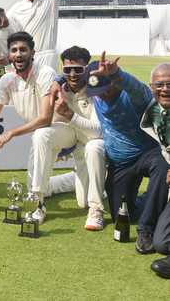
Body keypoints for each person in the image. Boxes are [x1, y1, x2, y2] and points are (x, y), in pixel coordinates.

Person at [84, 53, 168, 253]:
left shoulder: (134, 97)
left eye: (105, 89)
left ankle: (146, 230)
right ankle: (156, 200)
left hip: (147, 153)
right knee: (122, 215)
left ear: (114, 82)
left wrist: (117, 74)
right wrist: (58, 80)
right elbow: (73, 76)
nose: (102, 95)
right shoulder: (95, 93)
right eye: (96, 91)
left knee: (163, 165)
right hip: (120, 163)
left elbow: (136, 88)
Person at [0, 32, 56, 223]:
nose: (18, 54)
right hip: (41, 134)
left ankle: (38, 204)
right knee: (38, 183)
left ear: (33, 53)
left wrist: (10, 133)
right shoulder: (7, 80)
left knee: (41, 136)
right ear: (9, 55)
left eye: (23, 50)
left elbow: (45, 119)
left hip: (60, 129)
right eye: (14, 50)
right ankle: (65, 182)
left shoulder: (45, 73)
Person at [46, 46, 107, 230]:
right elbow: (57, 125)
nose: (72, 74)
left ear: (86, 69)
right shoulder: (60, 89)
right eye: (67, 70)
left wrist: (69, 115)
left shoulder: (97, 89)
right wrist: (61, 148)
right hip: (79, 147)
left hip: (100, 147)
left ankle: (96, 209)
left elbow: (97, 131)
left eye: (78, 69)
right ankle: (50, 187)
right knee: (81, 202)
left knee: (94, 146)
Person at [136, 63, 170, 278]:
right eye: (160, 84)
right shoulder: (155, 111)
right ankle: (147, 229)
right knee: (162, 243)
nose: (165, 88)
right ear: (151, 88)